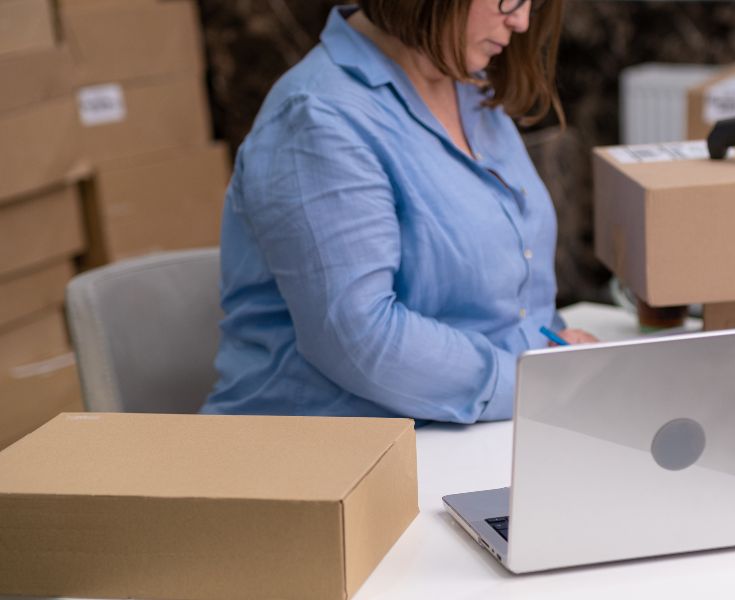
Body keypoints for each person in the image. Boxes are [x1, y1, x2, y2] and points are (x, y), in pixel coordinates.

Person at [201, 0, 597, 424]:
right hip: (340, 453)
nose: (519, 21)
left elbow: (511, 284)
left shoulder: (467, 82)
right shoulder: (317, 118)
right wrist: (531, 383)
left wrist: (553, 346)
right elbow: (361, 339)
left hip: (479, 425)